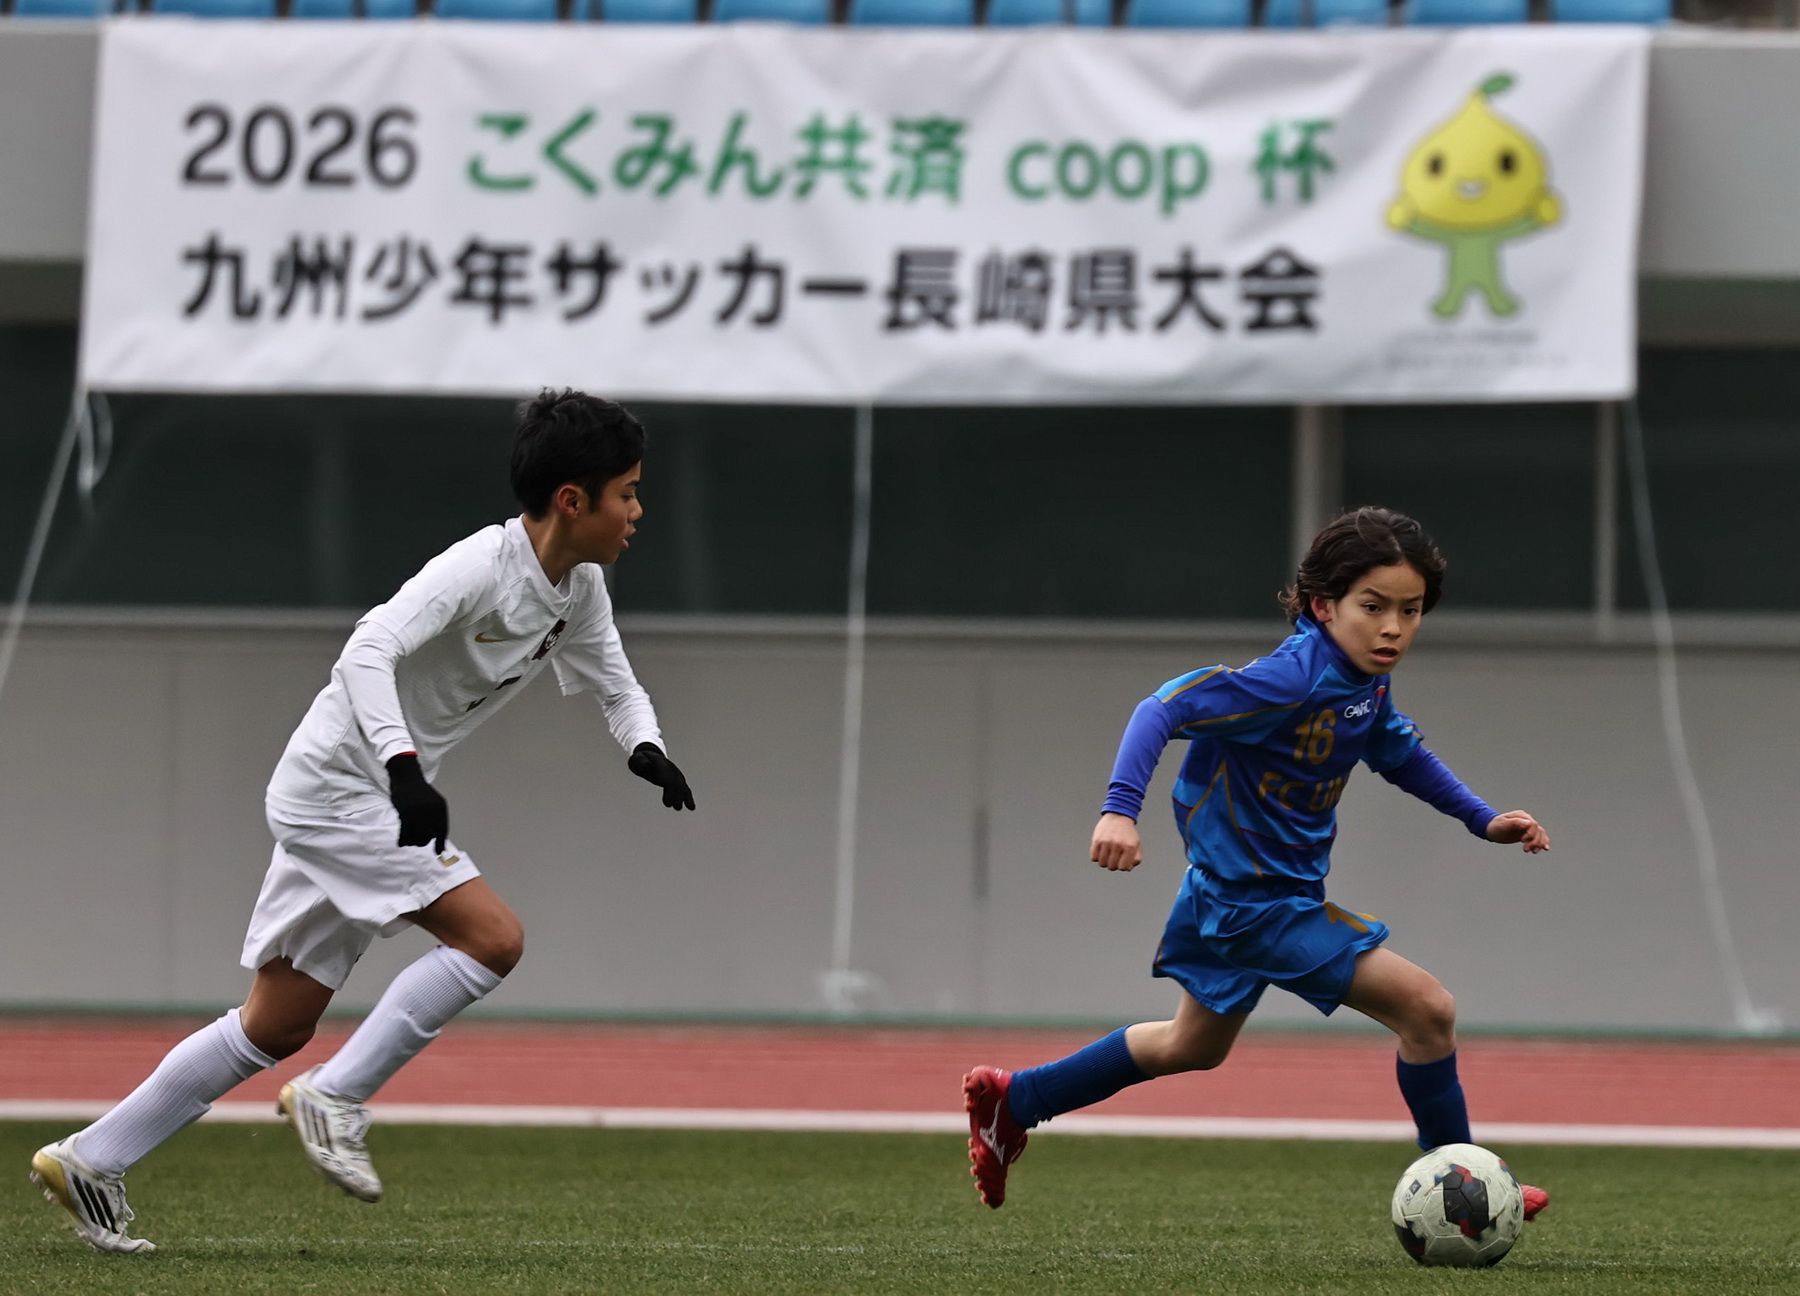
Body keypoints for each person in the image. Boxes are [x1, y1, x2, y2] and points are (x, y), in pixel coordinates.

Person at [31, 389, 694, 1254]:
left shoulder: (582, 590)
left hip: (365, 793)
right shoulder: (479, 567)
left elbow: (617, 683)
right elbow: (367, 649)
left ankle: (91, 1158)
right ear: (573, 499)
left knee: (276, 1023)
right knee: (494, 939)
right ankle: (335, 1095)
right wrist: (402, 766)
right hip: (338, 790)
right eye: (629, 493)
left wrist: (645, 747)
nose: (639, 512)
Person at [963, 506, 1550, 1217]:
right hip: (1255, 907)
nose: (1393, 627)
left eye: (1411, 609)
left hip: (1239, 894)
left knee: (1190, 1045)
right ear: (1323, 605)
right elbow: (1160, 708)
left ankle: (1017, 1100)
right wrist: (1119, 808)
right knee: (1429, 1011)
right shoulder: (1288, 679)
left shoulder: (1361, 680)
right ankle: (1468, 1188)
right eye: (1373, 607)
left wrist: (1482, 818)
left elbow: (1397, 751)